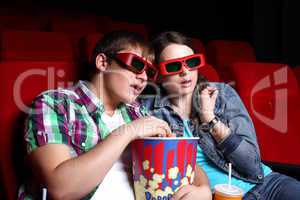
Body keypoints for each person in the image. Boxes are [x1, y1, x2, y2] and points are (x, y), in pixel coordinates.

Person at [18, 31, 212, 200]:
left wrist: (204, 190)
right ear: (103, 62)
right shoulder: (55, 104)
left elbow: (183, 159)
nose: (144, 77)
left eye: (149, 71)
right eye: (136, 64)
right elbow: (60, 189)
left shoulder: (137, 112)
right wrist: (128, 132)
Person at [140, 31, 300, 200]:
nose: (185, 72)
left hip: (267, 185)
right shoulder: (149, 111)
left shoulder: (221, 94)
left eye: (191, 63)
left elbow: (252, 165)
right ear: (158, 75)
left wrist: (209, 118)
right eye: (173, 66)